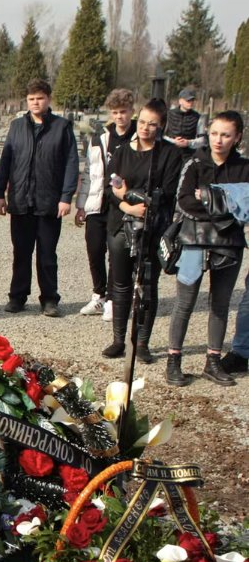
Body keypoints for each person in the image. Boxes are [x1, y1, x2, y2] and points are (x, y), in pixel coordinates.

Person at [165, 111, 249, 387]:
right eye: (214, 133)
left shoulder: (244, 168)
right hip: (195, 239)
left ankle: (213, 361)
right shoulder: (195, 162)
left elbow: (246, 206)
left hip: (229, 244)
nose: (218, 140)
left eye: (225, 135)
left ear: (237, 137)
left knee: (220, 304)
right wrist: (226, 203)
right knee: (184, 303)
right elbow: (185, 201)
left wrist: (209, 197)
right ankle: (173, 360)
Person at [99, 99, 182, 363]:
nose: (145, 128)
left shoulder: (169, 154)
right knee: (120, 284)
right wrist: (127, 204)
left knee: (148, 285)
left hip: (152, 227)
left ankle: (142, 342)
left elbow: (165, 193)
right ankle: (119, 340)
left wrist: (129, 196)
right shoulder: (122, 152)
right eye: (143, 122)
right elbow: (110, 188)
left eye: (152, 124)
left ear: (161, 126)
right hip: (120, 224)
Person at [0, 78, 79, 316]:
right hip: (21, 201)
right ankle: (17, 297)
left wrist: (66, 197)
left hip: (48, 202)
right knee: (21, 253)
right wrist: (0, 194)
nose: (35, 102)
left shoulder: (62, 127)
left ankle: (49, 299)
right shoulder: (17, 127)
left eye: (40, 98)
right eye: (31, 99)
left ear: (48, 99)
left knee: (47, 255)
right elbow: (6, 161)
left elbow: (71, 163)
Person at [77, 88, 136, 319]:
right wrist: (81, 204)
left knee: (116, 253)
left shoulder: (136, 139)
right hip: (98, 202)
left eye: (124, 111)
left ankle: (113, 298)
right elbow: (89, 173)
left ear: (132, 111)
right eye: (115, 112)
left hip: (120, 205)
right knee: (94, 250)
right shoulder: (100, 138)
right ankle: (98, 295)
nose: (120, 116)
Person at [163, 88, 207, 153]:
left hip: (189, 153)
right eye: (188, 100)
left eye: (192, 100)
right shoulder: (169, 114)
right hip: (170, 151)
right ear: (180, 101)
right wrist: (174, 141)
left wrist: (188, 142)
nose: (191, 103)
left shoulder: (198, 117)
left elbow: (202, 140)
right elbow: (161, 135)